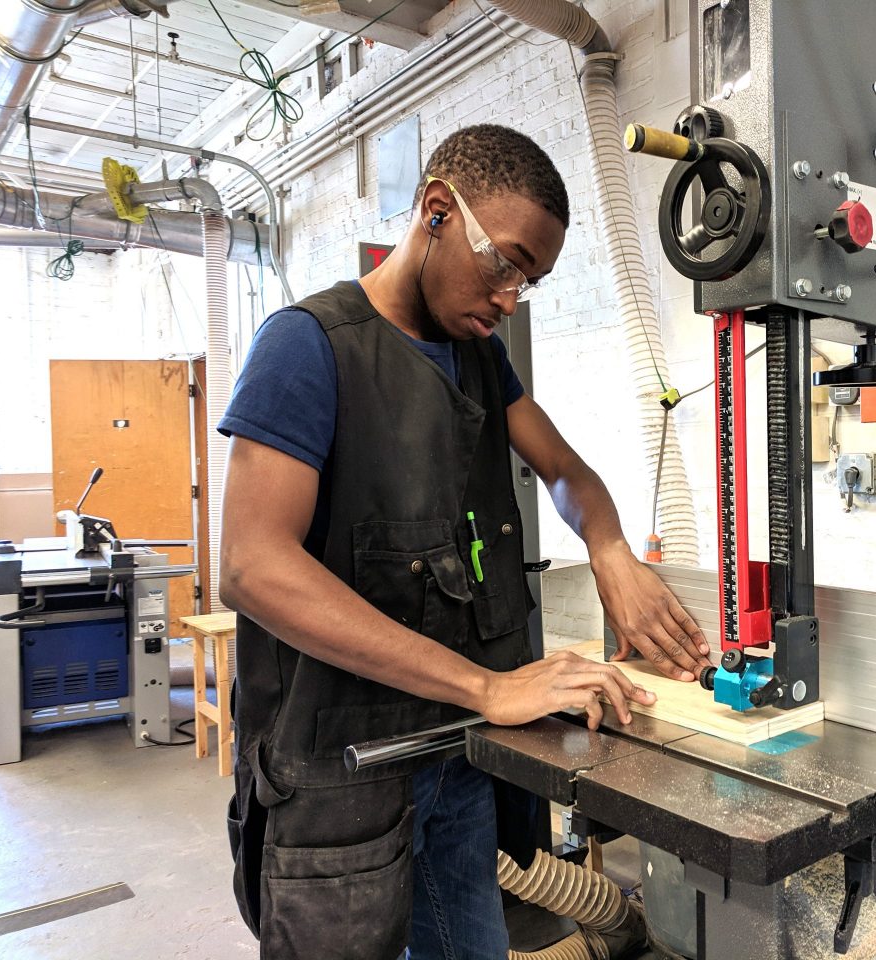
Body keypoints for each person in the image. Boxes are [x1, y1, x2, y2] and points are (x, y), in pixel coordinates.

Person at [219, 123, 712, 960]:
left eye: (532, 281)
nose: (512, 297)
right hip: (341, 779)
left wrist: (611, 551)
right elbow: (253, 567)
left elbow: (567, 474)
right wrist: (487, 686)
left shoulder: (479, 358)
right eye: (508, 264)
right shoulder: (308, 347)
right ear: (438, 212)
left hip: (456, 764)